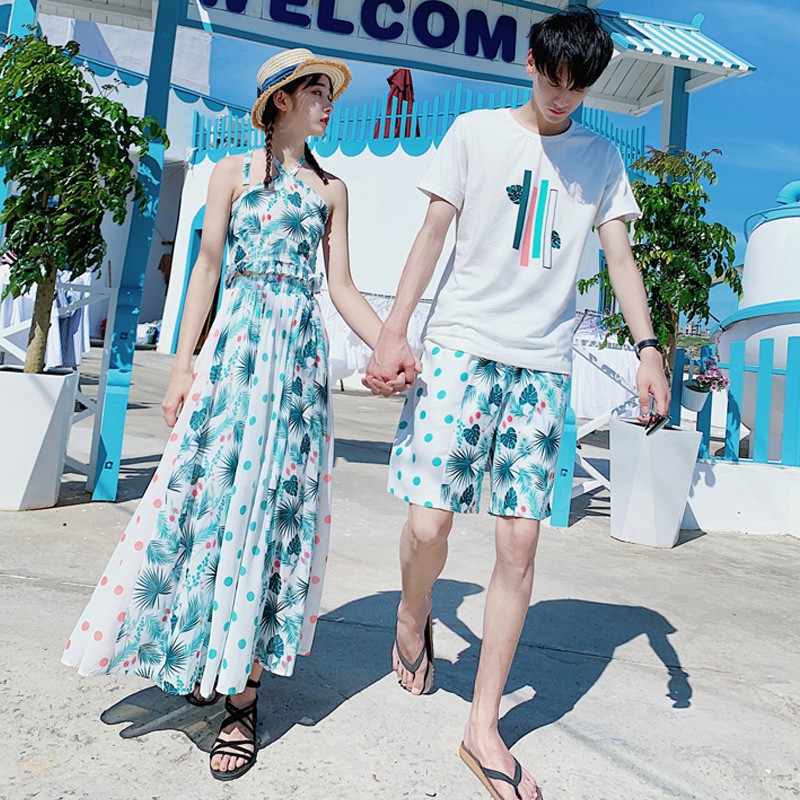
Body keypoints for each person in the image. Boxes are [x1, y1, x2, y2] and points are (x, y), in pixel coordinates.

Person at [62, 48, 401, 781]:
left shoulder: (332, 190)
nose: (327, 102)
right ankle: (200, 650)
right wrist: (183, 363)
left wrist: (393, 348)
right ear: (280, 100)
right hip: (237, 354)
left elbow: (340, 287)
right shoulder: (231, 176)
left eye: (326, 92)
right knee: (211, 504)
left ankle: (243, 700)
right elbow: (208, 268)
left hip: (297, 367)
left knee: (270, 516)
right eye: (315, 91)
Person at [364, 9, 670, 800]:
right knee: (428, 523)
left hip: (541, 368)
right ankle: (412, 611)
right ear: (532, 62)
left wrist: (647, 349)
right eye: (553, 78)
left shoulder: (602, 160)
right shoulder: (473, 134)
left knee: (518, 546)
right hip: (461, 347)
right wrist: (394, 332)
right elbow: (430, 236)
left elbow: (621, 259)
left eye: (580, 86)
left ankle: (483, 725)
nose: (563, 96)